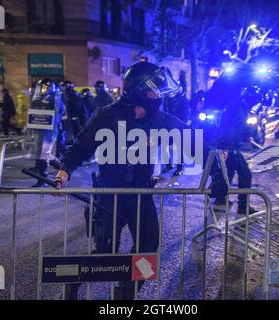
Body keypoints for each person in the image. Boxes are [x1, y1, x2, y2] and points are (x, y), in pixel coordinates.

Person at [54, 62, 206, 300]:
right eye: (154, 90)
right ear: (138, 91)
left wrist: (217, 157)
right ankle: (74, 282)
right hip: (109, 195)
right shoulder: (107, 116)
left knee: (147, 252)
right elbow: (80, 149)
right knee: (105, 254)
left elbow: (195, 144)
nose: (158, 95)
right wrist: (63, 172)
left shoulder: (163, 120)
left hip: (141, 196)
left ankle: (124, 296)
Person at [206, 82, 257, 214]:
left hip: (227, 145)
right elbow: (235, 129)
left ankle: (220, 197)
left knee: (227, 172)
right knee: (245, 174)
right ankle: (243, 205)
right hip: (230, 146)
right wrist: (248, 131)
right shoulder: (239, 108)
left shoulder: (235, 106)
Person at [26, 79, 63, 187]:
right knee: (42, 154)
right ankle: (63, 167)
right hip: (39, 129)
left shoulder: (55, 98)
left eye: (47, 87)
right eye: (43, 87)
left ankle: (43, 178)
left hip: (49, 131)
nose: (44, 89)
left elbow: (59, 112)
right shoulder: (38, 98)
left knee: (43, 154)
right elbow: (33, 112)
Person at [162, 89, 190, 175]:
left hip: (178, 126)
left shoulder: (182, 100)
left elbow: (185, 115)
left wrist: (181, 126)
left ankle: (179, 167)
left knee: (179, 147)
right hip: (167, 126)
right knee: (164, 145)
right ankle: (168, 164)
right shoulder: (166, 99)